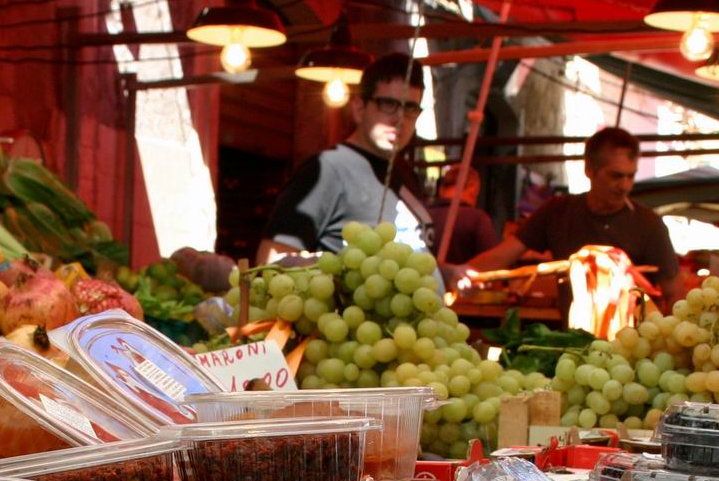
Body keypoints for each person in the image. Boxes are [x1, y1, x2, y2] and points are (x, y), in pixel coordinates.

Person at [450, 127, 683, 305]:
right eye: (616, 176)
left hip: (632, 351)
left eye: (630, 176)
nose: (625, 186)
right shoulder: (558, 211)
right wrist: (451, 276)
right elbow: (503, 254)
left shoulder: (650, 225)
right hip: (575, 348)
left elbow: (675, 296)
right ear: (589, 170)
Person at [257, 54, 434, 262]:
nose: (399, 118)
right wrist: (343, 274)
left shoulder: (405, 173)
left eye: (410, 108)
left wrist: (446, 273)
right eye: (388, 104)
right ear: (359, 108)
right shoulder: (327, 169)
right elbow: (271, 259)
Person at [429, 164, 498, 265]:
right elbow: (492, 262)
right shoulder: (477, 219)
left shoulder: (418, 214)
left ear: (441, 189)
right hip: (462, 279)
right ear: (473, 189)